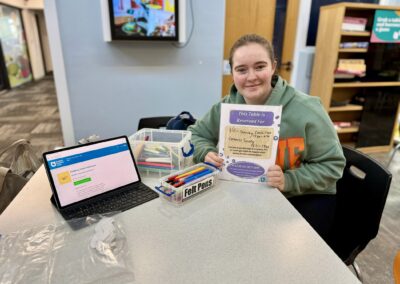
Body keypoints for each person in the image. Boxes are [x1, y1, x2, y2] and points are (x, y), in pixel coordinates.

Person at [188, 34, 346, 243]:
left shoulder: (308, 110)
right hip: (250, 194)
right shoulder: (227, 106)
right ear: (232, 72)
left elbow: (333, 165)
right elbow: (195, 134)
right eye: (241, 69)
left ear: (273, 67)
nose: (251, 76)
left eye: (259, 66)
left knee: (285, 258)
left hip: (304, 197)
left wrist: (289, 180)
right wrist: (204, 152)